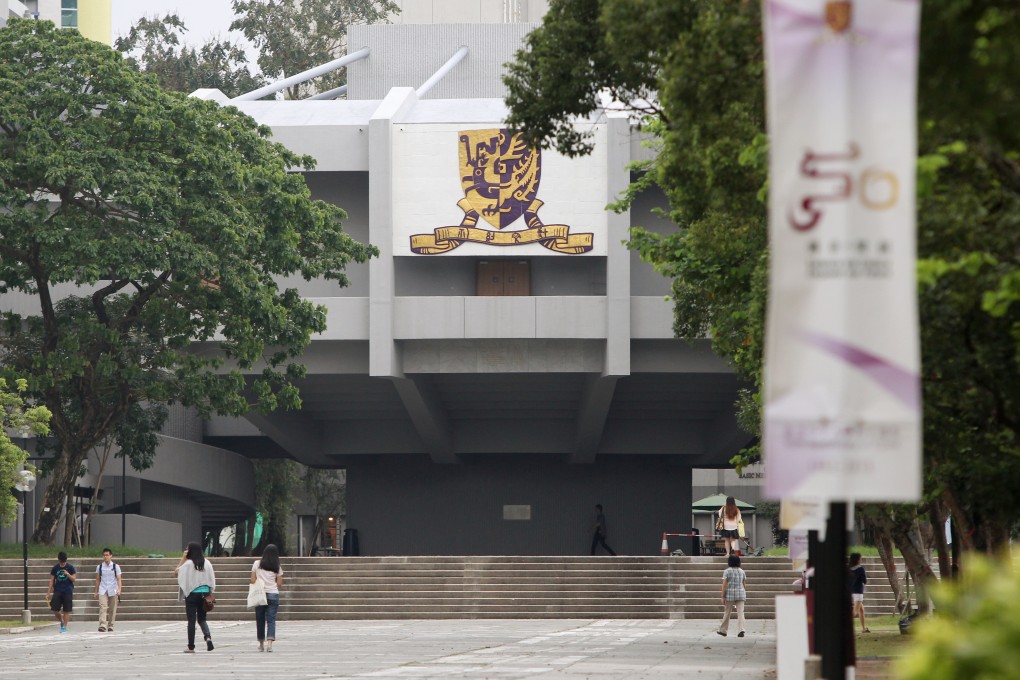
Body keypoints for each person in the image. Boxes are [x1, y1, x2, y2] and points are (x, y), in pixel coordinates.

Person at [174, 542, 216, 653]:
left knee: (191, 621)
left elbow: (176, 572)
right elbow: (212, 580)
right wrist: (209, 591)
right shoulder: (207, 563)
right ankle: (208, 638)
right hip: (205, 595)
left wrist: (183, 558)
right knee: (202, 619)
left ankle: (191, 647)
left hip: (192, 595)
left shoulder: (188, 564)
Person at [251, 543, 284, 652]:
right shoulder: (277, 566)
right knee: (271, 620)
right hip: (273, 594)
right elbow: (279, 583)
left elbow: (252, 580)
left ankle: (261, 644)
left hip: (260, 594)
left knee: (260, 619)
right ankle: (270, 643)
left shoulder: (257, 564)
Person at [717, 554, 747, 638]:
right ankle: (741, 630)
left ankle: (723, 630)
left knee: (727, 613)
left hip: (730, 594)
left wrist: (723, 596)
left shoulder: (727, 571)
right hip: (741, 594)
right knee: (741, 612)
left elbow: (724, 584)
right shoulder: (742, 571)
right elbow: (744, 584)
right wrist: (744, 592)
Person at [46, 551, 77, 633]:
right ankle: (61, 620)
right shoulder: (55, 568)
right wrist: (48, 593)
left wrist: (68, 574)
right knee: (55, 609)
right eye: (61, 562)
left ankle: (64, 627)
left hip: (68, 590)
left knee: (67, 610)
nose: (63, 564)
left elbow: (74, 579)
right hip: (58, 590)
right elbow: (51, 581)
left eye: (64, 562)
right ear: (59, 560)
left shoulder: (70, 567)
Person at [94, 547, 123, 632]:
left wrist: (119, 589)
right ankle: (102, 624)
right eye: (104, 555)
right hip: (103, 589)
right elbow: (98, 579)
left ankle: (110, 624)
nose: (105, 557)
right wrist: (96, 591)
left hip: (113, 589)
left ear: (111, 556)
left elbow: (119, 579)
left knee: (112, 608)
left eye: (107, 555)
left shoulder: (116, 566)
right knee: (103, 606)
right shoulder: (99, 567)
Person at [848, 552, 870, 633]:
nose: (861, 560)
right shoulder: (861, 569)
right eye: (860, 558)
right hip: (858, 592)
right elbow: (865, 581)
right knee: (855, 611)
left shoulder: (849, 569)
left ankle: (864, 628)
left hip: (851, 592)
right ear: (857, 560)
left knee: (861, 610)